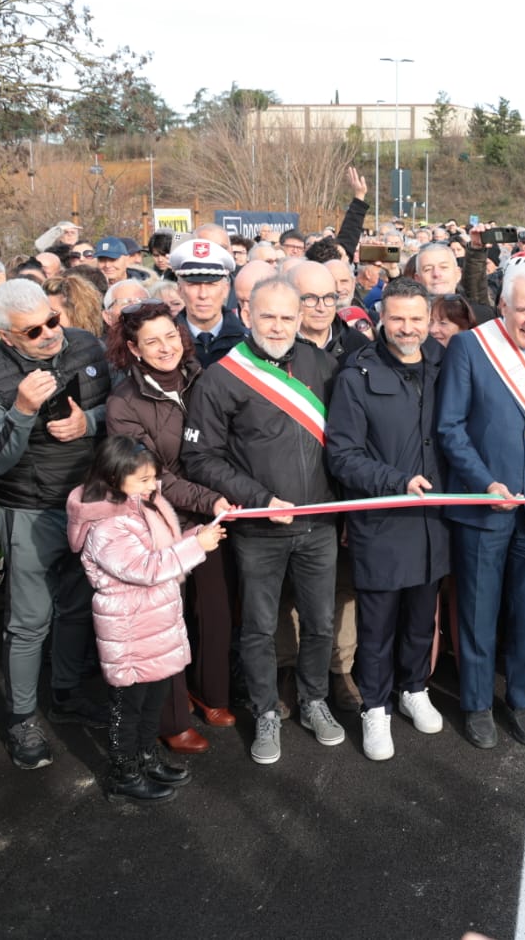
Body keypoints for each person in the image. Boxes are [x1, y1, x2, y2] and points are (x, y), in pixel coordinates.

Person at [182, 276, 345, 765]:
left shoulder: (322, 364)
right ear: (247, 313)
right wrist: (260, 499)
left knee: (319, 623)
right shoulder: (221, 376)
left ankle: (315, 700)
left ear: (302, 318)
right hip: (259, 526)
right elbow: (201, 459)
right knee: (256, 627)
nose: (277, 326)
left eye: (287, 317)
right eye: (267, 316)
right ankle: (265, 711)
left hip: (319, 523)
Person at [0, 278, 112, 770]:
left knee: (75, 606)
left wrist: (87, 423)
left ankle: (67, 694)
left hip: (87, 500)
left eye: (53, 319)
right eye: (35, 331)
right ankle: (23, 718)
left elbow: (119, 407)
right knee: (29, 622)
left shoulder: (86, 343)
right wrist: (23, 410)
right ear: (6, 336)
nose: (51, 333)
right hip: (29, 508)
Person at [435, 262, 525, 749]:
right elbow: (449, 426)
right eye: (523, 309)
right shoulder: (472, 347)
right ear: (504, 305)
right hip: (482, 505)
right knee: (477, 611)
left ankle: (521, 699)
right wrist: (483, 481)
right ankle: (475, 703)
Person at [326, 278, 451, 761]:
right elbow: (343, 455)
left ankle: (413, 688)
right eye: (397, 318)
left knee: (422, 620)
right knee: (376, 628)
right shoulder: (355, 375)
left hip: (434, 522)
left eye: (417, 319)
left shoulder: (444, 366)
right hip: (382, 521)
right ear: (381, 319)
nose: (407, 328)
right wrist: (396, 480)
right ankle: (374, 707)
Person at [104, 300, 234, 751]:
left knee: (213, 609)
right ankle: (172, 717)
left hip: (211, 511)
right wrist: (210, 497)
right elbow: (152, 477)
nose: (165, 348)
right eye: (151, 341)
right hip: (160, 518)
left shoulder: (205, 376)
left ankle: (210, 691)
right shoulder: (123, 402)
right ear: (135, 351)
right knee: (167, 619)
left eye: (170, 336)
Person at [67, 436, 222, 804]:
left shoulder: (138, 506)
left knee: (153, 699)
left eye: (153, 477)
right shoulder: (107, 526)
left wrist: (192, 537)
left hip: (153, 624)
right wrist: (195, 547)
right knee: (129, 705)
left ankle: (145, 758)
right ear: (113, 478)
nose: (153, 485)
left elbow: (161, 551)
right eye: (143, 479)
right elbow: (146, 567)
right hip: (130, 630)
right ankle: (123, 772)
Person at [169, 239, 244, 368]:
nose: (203, 295)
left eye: (211, 285)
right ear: (180, 290)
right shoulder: (167, 344)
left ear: (226, 289)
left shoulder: (245, 342)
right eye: (193, 285)